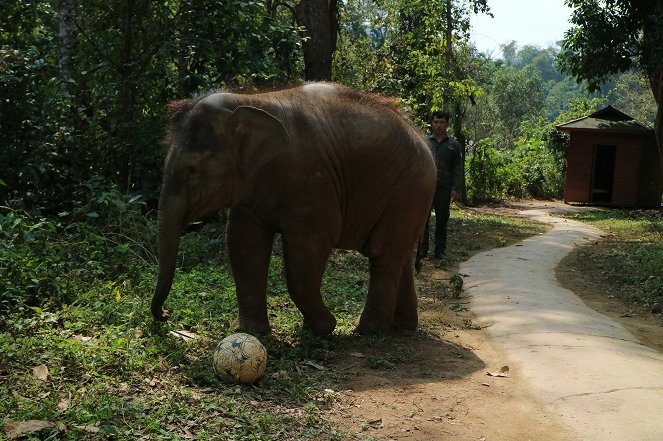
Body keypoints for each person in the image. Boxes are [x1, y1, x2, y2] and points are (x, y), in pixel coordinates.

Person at [420, 110, 462, 259]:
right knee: (422, 220)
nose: (438, 125)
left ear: (447, 124)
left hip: (444, 188)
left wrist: (455, 188)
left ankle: (439, 251)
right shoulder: (424, 142)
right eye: (435, 122)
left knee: (442, 220)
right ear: (431, 123)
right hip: (426, 188)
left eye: (442, 122)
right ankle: (422, 251)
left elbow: (458, 169)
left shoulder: (453, 145)